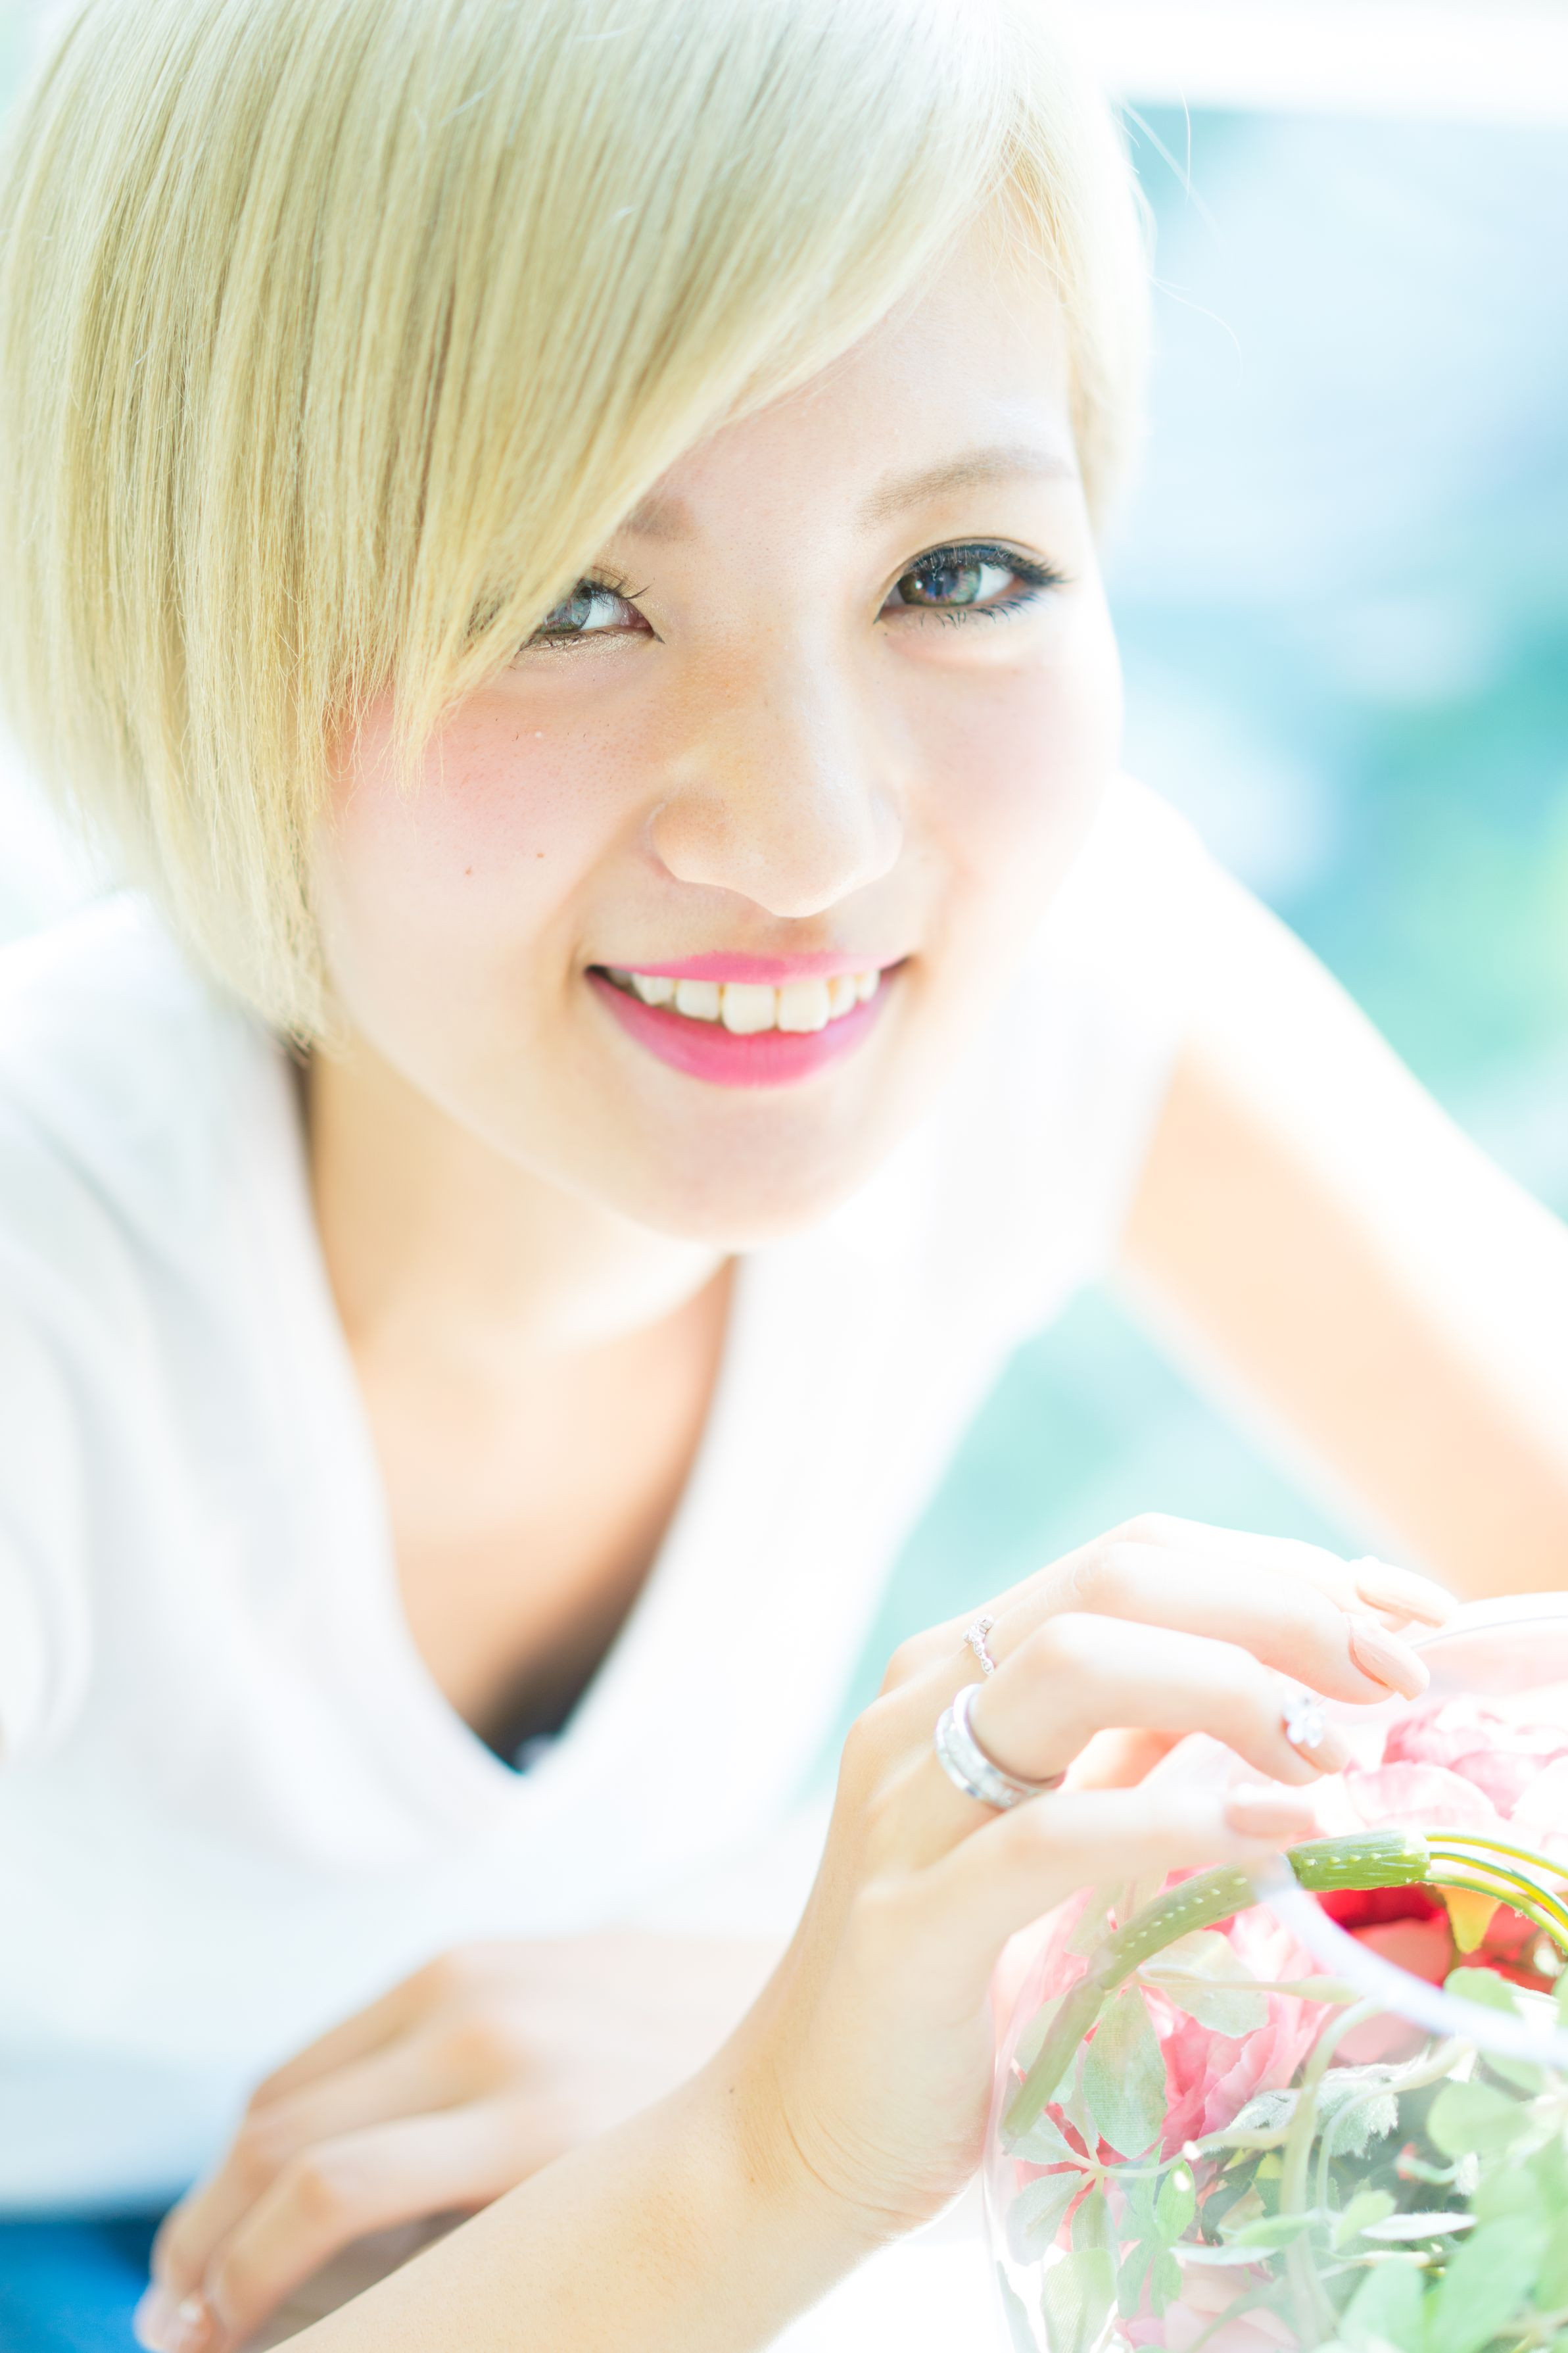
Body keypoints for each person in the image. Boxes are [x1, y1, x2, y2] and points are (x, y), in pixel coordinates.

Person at [0, 0, 1563, 2347]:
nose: (815, 838)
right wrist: (769, 2137)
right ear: (183, 628)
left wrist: (888, 1972)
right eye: (565, 598)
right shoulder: (49, 1289)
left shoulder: (1056, 962)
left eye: (959, 572)